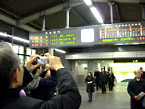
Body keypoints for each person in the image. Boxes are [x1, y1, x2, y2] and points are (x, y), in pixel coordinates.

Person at [0, 42, 81, 109]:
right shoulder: (30, 106)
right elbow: (71, 99)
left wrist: (26, 69)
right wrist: (59, 67)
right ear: (16, 74)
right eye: (21, 67)